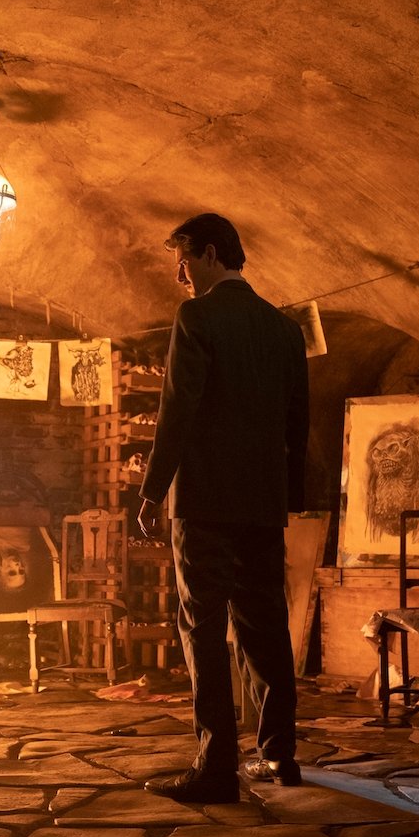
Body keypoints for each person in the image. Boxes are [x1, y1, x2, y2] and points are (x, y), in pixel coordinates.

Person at [136, 212, 310, 804]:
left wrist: (153, 489)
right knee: (265, 624)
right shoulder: (285, 331)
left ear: (210, 253)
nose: (180, 275)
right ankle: (279, 754)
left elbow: (177, 410)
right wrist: (291, 497)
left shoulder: (198, 317)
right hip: (263, 503)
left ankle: (215, 767)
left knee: (202, 625)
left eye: (182, 259)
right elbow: (297, 423)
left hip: (206, 500)